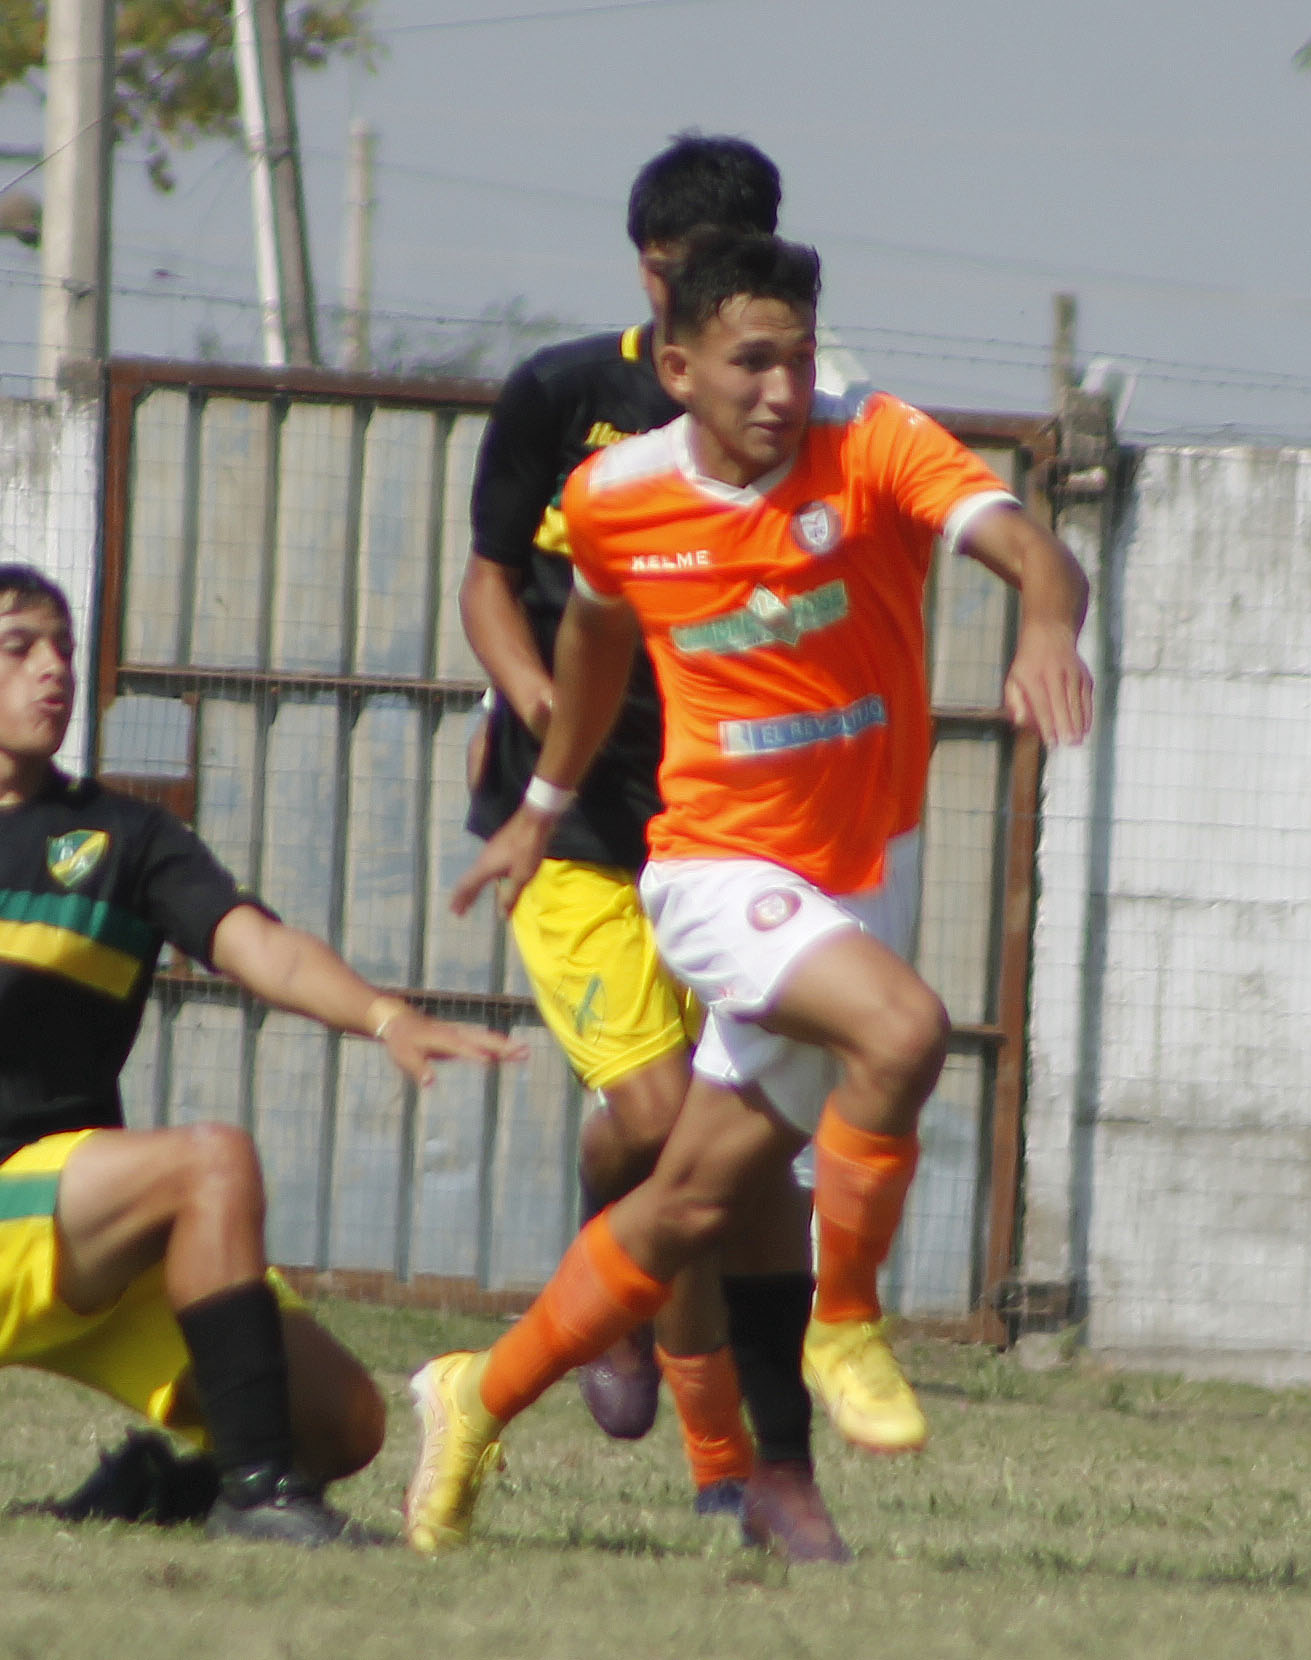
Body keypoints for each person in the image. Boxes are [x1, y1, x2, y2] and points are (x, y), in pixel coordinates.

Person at [409, 232, 1093, 1561]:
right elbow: (594, 643)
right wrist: (542, 812)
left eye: (799, 356)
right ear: (678, 366)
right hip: (714, 869)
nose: (784, 390)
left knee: (690, 1203)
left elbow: (1029, 547)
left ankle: (475, 1398)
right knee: (902, 1031)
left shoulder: (875, 441)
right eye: (751, 362)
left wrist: (1050, 623)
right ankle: (847, 1324)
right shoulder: (615, 494)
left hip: (859, 874)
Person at [0, 563, 521, 1544]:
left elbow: (260, 944)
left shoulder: (125, 836)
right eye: (19, 647)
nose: (53, 670)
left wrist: (385, 1016)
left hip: (82, 1222)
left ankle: (154, 1490)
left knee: (347, 1423)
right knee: (211, 1159)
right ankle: (261, 1502)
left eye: (65, 650)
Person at [460, 131, 800, 1514]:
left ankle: (606, 1226)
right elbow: (488, 584)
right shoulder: (559, 397)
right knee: (668, 1124)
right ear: (647, 271)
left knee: (693, 1147)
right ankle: (726, 1469)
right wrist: (550, 710)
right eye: (681, 279)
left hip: (724, 831)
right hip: (577, 834)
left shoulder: (789, 424)